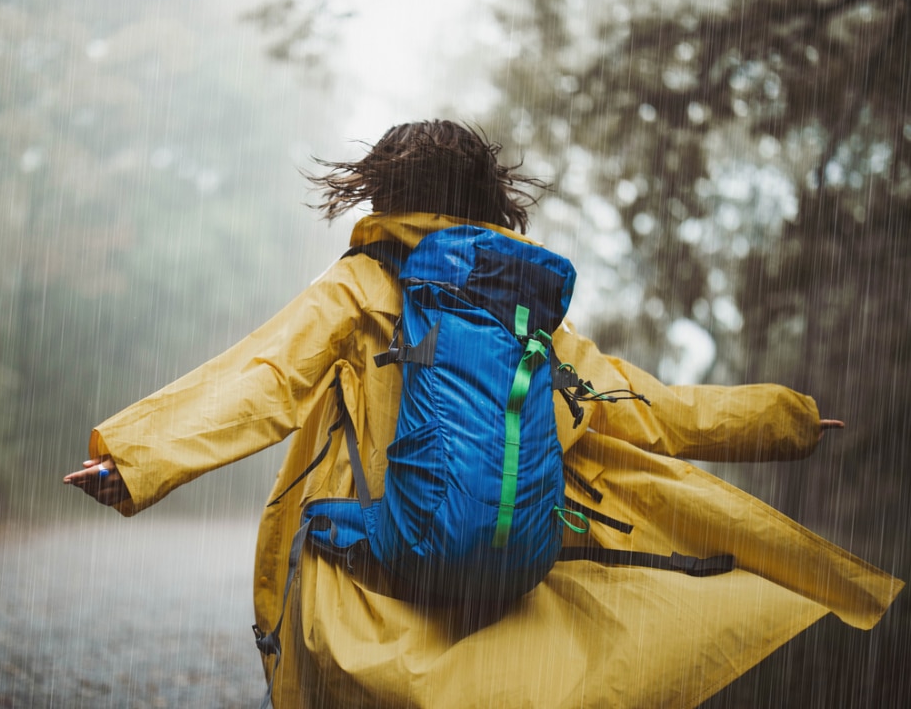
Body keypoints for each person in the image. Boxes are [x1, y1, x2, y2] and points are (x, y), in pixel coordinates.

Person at [65, 120, 900, 708]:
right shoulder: (523, 312)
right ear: (490, 198)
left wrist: (138, 459)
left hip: (370, 573)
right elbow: (646, 408)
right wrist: (782, 421)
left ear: (382, 190)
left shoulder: (360, 286)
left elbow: (262, 378)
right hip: (503, 577)